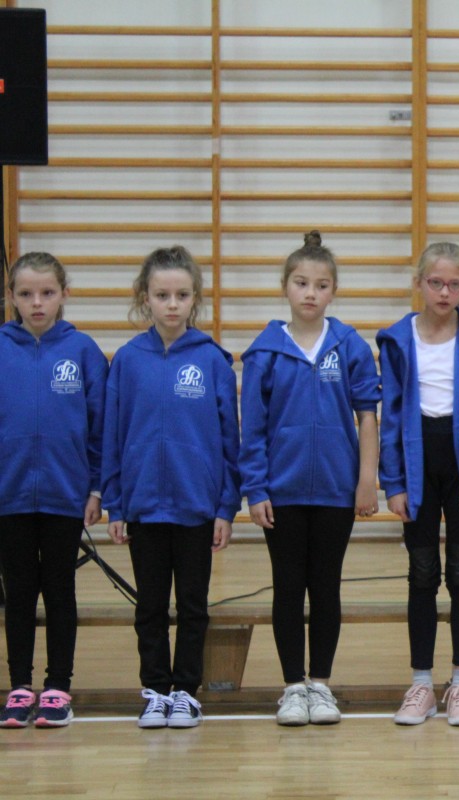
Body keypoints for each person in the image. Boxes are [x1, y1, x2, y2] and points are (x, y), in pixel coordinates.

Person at [239, 231, 381, 727]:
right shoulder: (264, 353)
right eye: (301, 283)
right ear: (285, 286)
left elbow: (367, 416)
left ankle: (320, 684)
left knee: (325, 587)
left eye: (321, 285)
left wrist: (367, 479)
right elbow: (253, 429)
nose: (310, 293)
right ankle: (292, 687)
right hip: (282, 492)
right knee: (287, 587)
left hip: (337, 492)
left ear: (333, 291)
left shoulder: (350, 346)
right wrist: (256, 488)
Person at [102, 246, 240, 729]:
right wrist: (116, 504)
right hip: (143, 507)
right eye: (162, 295)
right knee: (151, 606)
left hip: (196, 507)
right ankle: (156, 690)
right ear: (146, 298)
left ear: (195, 297)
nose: (172, 304)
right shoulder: (127, 361)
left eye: (182, 295)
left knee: (193, 605)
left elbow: (229, 441)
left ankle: (186, 692)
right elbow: (113, 436)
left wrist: (225, 507)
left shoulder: (212, 360)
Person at [378, 242, 459, 727]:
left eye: (454, 284)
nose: (445, 292)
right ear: (419, 283)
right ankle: (422, 684)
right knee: (422, 573)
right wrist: (393, 481)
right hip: (418, 465)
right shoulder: (398, 340)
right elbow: (391, 416)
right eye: (436, 283)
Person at [0, 253, 107, 728]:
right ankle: (20, 686)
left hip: (66, 496)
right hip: (9, 497)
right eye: (26, 294)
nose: (37, 303)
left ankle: (58, 687)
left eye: (47, 292)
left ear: (65, 293)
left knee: (60, 590)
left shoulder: (82, 351)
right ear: (11, 297)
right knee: (19, 592)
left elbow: (101, 428)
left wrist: (97, 489)